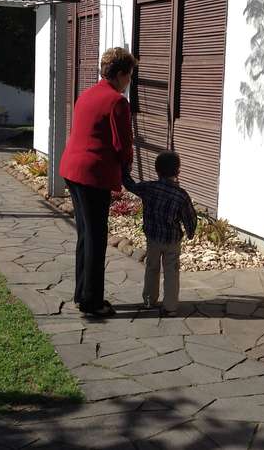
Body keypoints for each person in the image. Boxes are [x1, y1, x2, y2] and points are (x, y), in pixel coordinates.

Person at [59, 47, 135, 317]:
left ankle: (82, 293)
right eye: (129, 76)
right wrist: (127, 167)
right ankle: (92, 302)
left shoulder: (87, 95)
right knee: (96, 238)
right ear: (121, 74)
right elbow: (123, 144)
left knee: (85, 235)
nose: (129, 83)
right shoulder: (117, 102)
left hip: (72, 171)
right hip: (93, 175)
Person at [123, 151, 197, 316]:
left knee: (152, 267)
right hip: (172, 240)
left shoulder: (149, 188)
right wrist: (190, 232)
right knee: (171, 271)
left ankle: (149, 301)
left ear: (157, 170)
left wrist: (125, 170)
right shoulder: (181, 195)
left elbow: (130, 185)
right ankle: (170, 307)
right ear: (178, 172)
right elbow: (190, 218)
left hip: (153, 238)